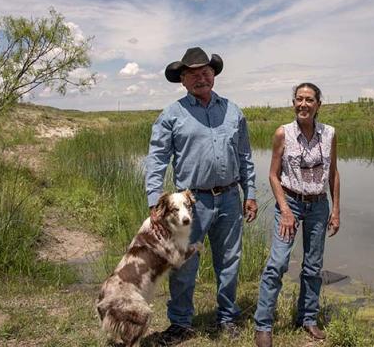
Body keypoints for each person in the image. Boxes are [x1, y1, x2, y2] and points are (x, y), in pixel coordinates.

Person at [145, 47, 258, 343]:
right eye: (193, 73)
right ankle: (181, 323)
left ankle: (227, 318)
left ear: (214, 75)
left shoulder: (233, 111)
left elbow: (245, 156)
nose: (201, 77)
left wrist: (251, 193)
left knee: (229, 261)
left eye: (206, 71)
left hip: (231, 198)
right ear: (182, 79)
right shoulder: (172, 115)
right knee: (183, 265)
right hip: (189, 204)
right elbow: (157, 160)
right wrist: (154, 204)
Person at [253, 82, 340, 347]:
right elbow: (272, 175)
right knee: (277, 263)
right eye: (299, 99)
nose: (304, 104)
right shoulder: (283, 134)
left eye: (309, 100)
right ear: (293, 103)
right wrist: (286, 210)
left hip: (318, 204)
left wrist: (335, 209)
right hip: (290, 201)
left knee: (313, 266)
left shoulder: (329, 134)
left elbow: (333, 172)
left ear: (318, 105)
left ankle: (308, 318)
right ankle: (263, 325)